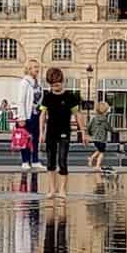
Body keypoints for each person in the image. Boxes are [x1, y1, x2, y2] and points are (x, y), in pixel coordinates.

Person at [39, 67, 82, 198]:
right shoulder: (47, 97)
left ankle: (62, 190)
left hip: (64, 132)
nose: (55, 87)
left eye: (57, 84)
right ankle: (52, 189)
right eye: (52, 85)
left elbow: (77, 114)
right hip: (51, 132)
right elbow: (43, 115)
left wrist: (83, 131)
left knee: (62, 160)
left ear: (62, 82)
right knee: (51, 161)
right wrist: (41, 132)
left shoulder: (70, 97)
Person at [16, 58, 44, 171]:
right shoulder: (25, 83)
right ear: (28, 69)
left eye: (38, 67)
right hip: (27, 115)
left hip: (36, 114)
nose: (37, 69)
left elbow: (41, 99)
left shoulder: (38, 83)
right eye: (35, 67)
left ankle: (35, 160)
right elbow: (21, 101)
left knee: (35, 138)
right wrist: (21, 117)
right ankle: (25, 161)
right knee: (25, 139)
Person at [87, 100, 114, 174]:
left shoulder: (94, 118)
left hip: (95, 138)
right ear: (105, 111)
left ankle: (91, 158)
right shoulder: (104, 120)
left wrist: (90, 134)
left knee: (99, 150)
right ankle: (97, 166)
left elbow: (89, 127)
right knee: (102, 152)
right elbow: (109, 128)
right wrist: (112, 130)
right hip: (102, 139)